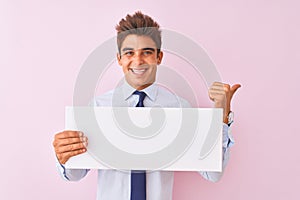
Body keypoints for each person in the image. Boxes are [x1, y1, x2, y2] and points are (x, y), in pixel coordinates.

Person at [53, 11, 241, 200]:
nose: (138, 60)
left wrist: (222, 113)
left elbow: (213, 173)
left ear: (159, 57)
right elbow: (74, 174)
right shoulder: (97, 108)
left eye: (147, 52)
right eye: (129, 53)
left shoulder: (180, 108)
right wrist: (63, 156)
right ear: (119, 59)